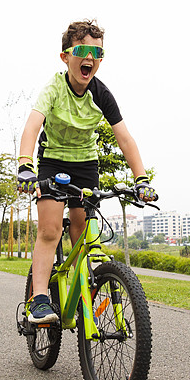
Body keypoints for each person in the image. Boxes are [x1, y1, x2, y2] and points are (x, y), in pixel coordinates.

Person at [17, 19, 156, 324]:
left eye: (98, 52)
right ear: (66, 56)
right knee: (50, 231)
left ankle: (81, 293)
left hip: (86, 166)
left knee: (83, 234)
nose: (91, 57)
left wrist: (141, 178)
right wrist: (25, 166)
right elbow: (32, 126)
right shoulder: (54, 88)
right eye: (82, 50)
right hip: (53, 162)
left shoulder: (101, 93)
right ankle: (39, 298)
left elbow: (124, 138)